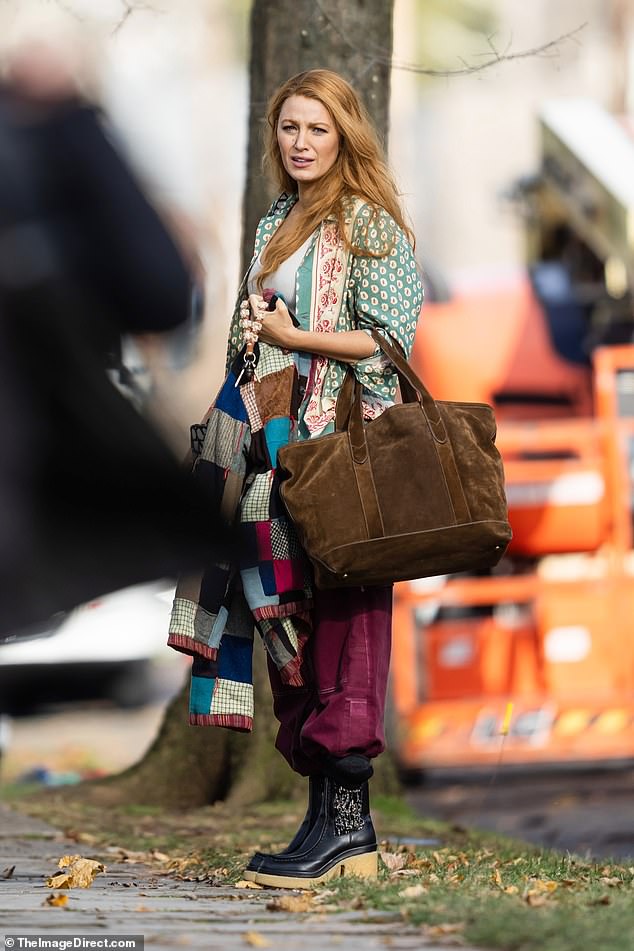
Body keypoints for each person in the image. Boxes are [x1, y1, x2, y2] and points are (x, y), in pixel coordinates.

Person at [167, 68, 423, 888]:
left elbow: (390, 345)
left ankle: (353, 832)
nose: (301, 143)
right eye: (289, 129)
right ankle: (324, 825)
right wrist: (258, 330)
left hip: (344, 456)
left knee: (351, 628)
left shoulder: (372, 225)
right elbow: (268, 330)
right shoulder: (277, 219)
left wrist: (299, 334)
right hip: (275, 460)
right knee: (295, 634)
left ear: (345, 133)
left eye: (316, 128)